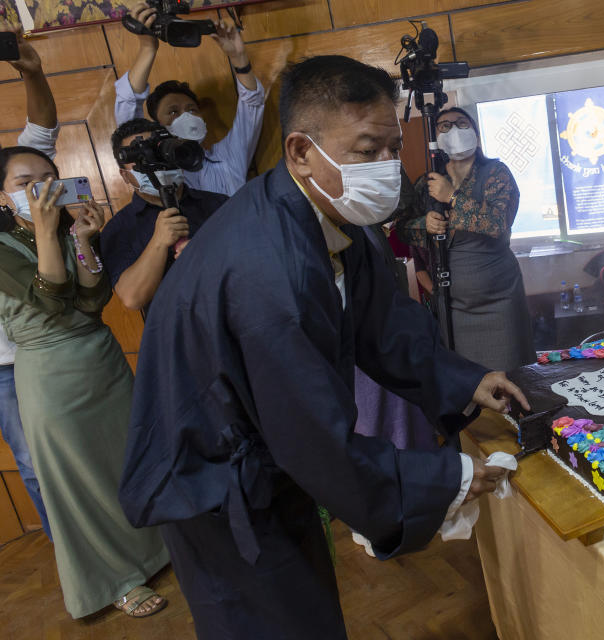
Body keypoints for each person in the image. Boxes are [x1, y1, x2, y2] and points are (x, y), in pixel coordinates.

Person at [117, 55, 529, 640]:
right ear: (301, 151)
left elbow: (381, 325)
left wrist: (464, 379)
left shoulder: (330, 213)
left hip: (268, 460)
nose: (386, 168)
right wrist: (450, 477)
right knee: (272, 621)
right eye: (366, 150)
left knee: (308, 605)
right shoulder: (267, 267)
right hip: (215, 480)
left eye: (392, 150)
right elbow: (310, 433)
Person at [0, 147, 169, 618]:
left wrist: (82, 237)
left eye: (49, 177)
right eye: (24, 181)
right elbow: (51, 298)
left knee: (128, 457)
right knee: (78, 483)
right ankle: (117, 578)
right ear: (2, 193)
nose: (40, 187)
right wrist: (44, 229)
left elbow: (94, 300)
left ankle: (158, 546)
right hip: (50, 375)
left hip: (102, 357)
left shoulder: (65, 228)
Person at [396, 107, 535, 371]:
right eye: (445, 126)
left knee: (510, 382)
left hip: (500, 301)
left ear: (476, 134)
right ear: (435, 139)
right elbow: (402, 230)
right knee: (465, 382)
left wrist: (453, 198)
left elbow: (498, 223)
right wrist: (425, 225)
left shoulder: (496, 172)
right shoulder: (428, 183)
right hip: (452, 306)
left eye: (461, 123)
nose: (455, 130)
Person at [0, 23, 61, 538]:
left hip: (59, 346)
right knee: (35, 462)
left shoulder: (14, 191)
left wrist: (34, 73)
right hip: (3, 366)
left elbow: (40, 135)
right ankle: (73, 550)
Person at [115, 2, 265, 196]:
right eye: (173, 112)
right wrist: (147, 48)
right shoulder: (155, 168)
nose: (186, 115)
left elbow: (252, 104)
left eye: (192, 109)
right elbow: (128, 113)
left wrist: (239, 60)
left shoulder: (227, 157)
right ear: (158, 126)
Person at [101, 118, 228, 311]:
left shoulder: (219, 204)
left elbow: (254, 260)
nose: (154, 162)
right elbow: (132, 298)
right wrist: (158, 242)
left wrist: (210, 256)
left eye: (157, 151)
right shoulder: (119, 228)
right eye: (142, 156)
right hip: (180, 333)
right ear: (125, 175)